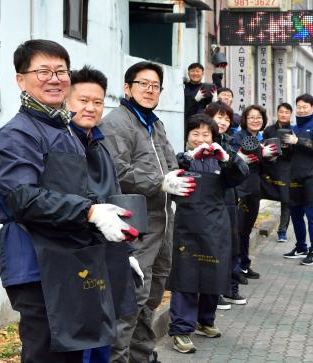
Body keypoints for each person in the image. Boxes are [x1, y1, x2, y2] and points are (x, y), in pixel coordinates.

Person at [0, 40, 137, 363]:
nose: (53, 79)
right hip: (36, 265)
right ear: (20, 79)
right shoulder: (18, 136)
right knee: (48, 353)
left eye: (60, 71)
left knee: (79, 351)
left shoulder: (68, 133)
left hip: (73, 262)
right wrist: (90, 211)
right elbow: (22, 198)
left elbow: (87, 193)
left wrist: (120, 251)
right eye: (42, 71)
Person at [100, 61, 196, 363]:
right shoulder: (117, 122)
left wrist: (185, 171)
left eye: (155, 86)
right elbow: (119, 170)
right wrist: (160, 182)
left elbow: (170, 167)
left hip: (163, 225)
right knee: (130, 302)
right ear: (127, 88)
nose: (149, 90)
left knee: (152, 298)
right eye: (143, 83)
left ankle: (142, 357)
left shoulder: (155, 123)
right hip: (136, 226)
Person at [65, 66, 144, 363]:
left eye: (97, 102)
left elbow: (114, 198)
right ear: (67, 100)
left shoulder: (99, 145)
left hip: (106, 256)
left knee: (103, 336)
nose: (90, 108)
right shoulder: (62, 143)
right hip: (72, 259)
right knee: (80, 341)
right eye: (83, 100)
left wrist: (128, 252)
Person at [167, 114, 248, 354]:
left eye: (206, 135)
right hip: (187, 228)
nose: (200, 139)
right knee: (186, 278)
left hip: (216, 227)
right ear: (187, 137)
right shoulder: (180, 159)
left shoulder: (221, 162)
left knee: (213, 275)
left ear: (214, 138)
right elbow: (170, 183)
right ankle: (181, 329)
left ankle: (205, 321)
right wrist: (186, 160)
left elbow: (241, 175)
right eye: (195, 134)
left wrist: (228, 158)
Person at [204, 102, 249, 306]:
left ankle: (231, 287)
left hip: (229, 196)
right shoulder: (203, 140)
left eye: (226, 118)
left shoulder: (230, 142)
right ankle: (216, 291)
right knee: (214, 245)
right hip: (209, 197)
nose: (222, 122)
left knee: (232, 242)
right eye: (218, 117)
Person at [231, 105, 277, 285]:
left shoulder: (259, 139)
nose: (255, 120)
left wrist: (270, 157)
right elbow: (234, 160)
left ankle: (244, 264)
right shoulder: (238, 137)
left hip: (254, 189)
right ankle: (236, 269)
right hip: (240, 189)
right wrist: (261, 152)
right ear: (245, 119)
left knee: (247, 229)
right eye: (251, 117)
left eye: (258, 117)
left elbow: (263, 167)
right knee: (238, 230)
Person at [281, 94, 313, 265]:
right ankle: (301, 247)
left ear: (312, 108)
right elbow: (290, 154)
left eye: (304, 106)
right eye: (298, 106)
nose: (301, 110)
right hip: (294, 176)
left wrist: (297, 140)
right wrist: (284, 147)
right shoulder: (293, 128)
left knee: (312, 215)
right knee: (295, 213)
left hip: (311, 177)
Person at [262, 102, 294, 243]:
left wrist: (289, 146)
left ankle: (282, 231)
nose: (283, 114)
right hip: (270, 166)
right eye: (281, 111)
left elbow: (296, 152)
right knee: (262, 191)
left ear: (290, 115)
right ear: (277, 113)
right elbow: (263, 145)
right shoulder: (269, 130)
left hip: (286, 167)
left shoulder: (293, 131)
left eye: (286, 112)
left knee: (286, 200)